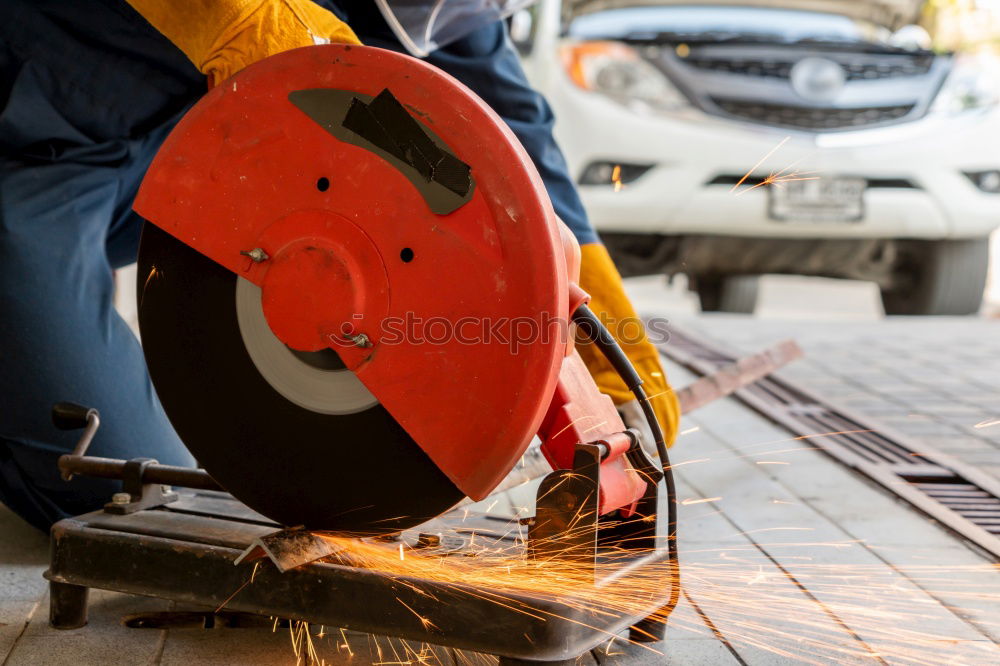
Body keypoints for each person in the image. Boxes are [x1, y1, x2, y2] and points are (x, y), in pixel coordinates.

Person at [0, 0, 680, 532]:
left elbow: (505, 138)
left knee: (166, 495)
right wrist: (233, 14)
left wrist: (597, 332)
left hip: (157, 172)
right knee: (114, 493)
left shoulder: (446, 13)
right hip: (30, 149)